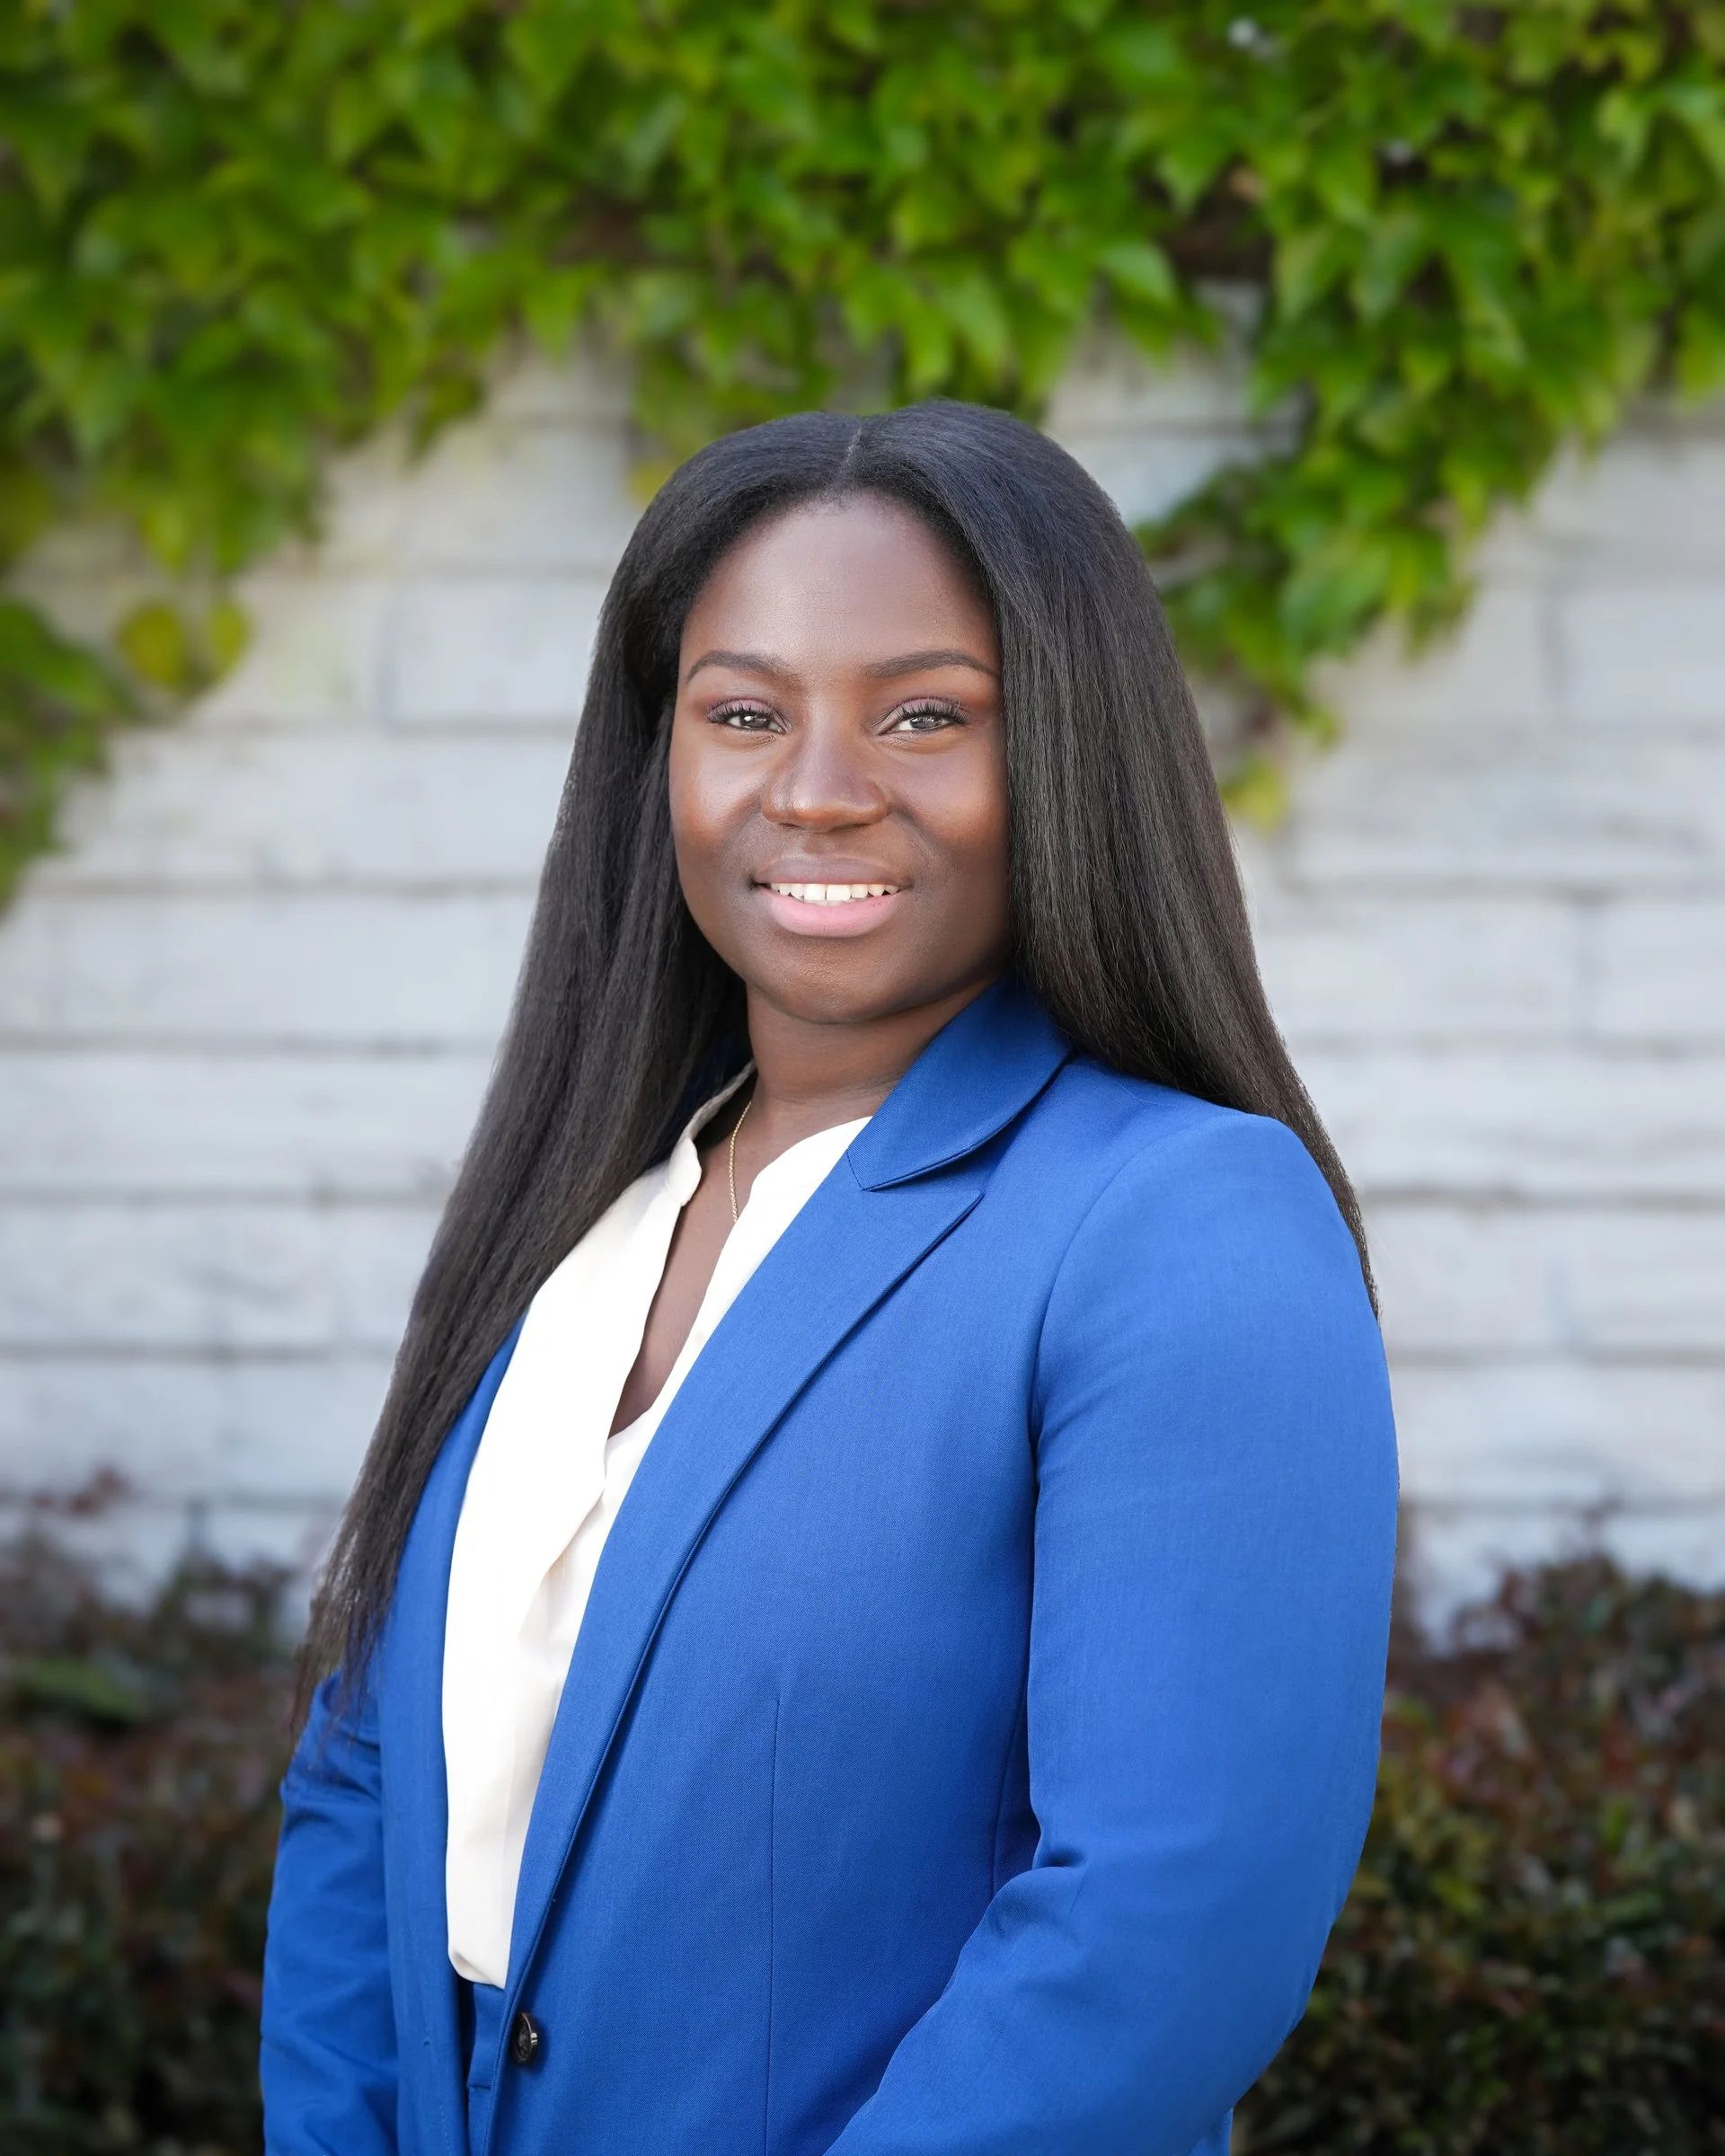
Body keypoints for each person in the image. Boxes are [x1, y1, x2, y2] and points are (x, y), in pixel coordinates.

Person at [260, 396, 1399, 2156]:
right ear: (664, 755)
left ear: (1068, 753)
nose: (817, 788)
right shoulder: (586, 1212)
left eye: (926, 713)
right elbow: (366, 1779)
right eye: (743, 713)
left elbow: (1162, 1929)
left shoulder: (1177, 1222)